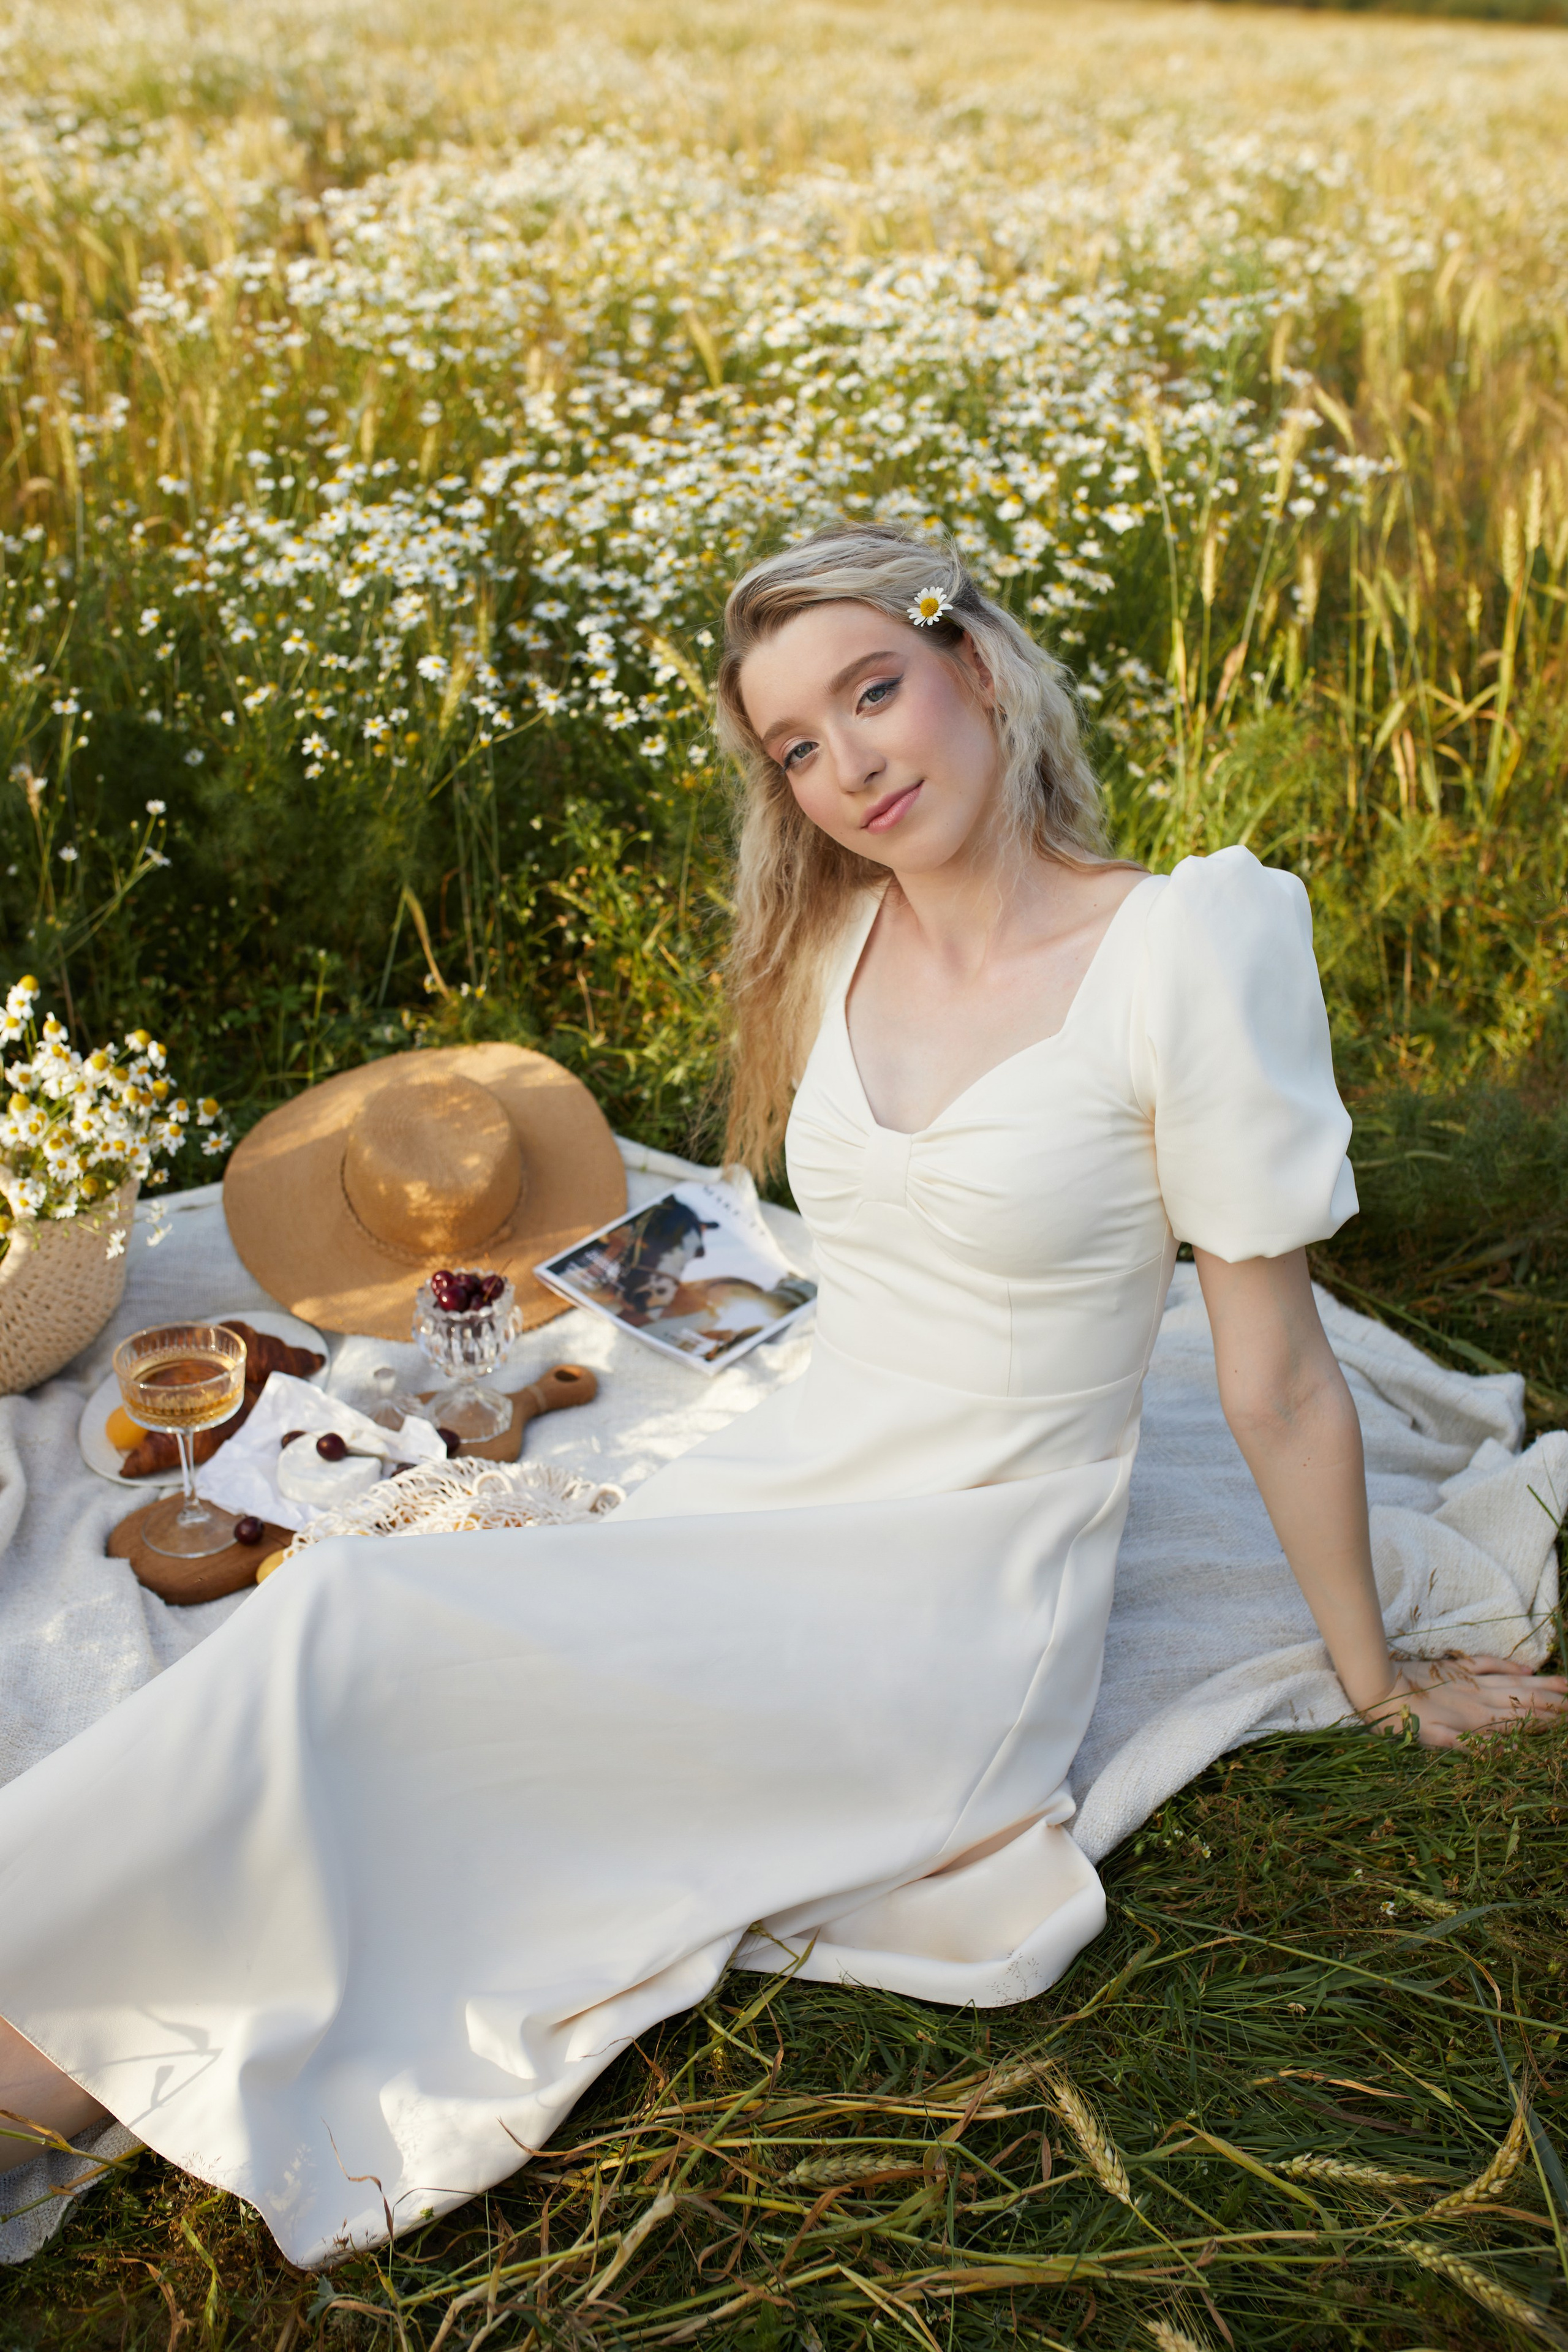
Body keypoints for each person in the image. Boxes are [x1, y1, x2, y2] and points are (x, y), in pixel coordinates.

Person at [2, 524, 1562, 2269]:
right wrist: (657, 1321)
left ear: (975, 663)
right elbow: (858, 1255)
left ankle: (29, 2072)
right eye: (797, 748)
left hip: (952, 1592)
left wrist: (1377, 1684)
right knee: (372, 1613)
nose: (848, 768)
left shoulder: (1187, 946)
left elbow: (1269, 1376)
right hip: (787, 1472)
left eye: (872, 693)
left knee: (383, 1647)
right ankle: (39, 2020)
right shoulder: (834, 950)